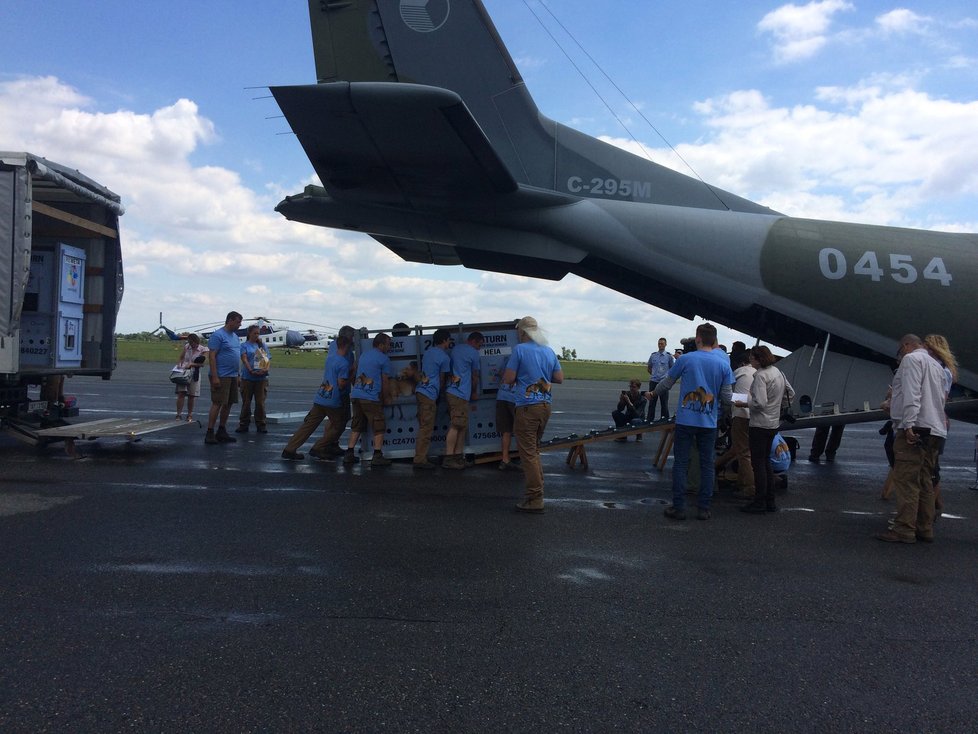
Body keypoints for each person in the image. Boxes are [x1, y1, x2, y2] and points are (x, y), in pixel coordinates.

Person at [653, 323, 734, 521]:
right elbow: (727, 396)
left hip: (686, 421)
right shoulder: (723, 364)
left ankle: (679, 507)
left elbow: (666, 383)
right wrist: (725, 415)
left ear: (698, 338)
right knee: (707, 464)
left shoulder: (686, 359)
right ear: (714, 340)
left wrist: (652, 393)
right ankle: (704, 508)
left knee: (681, 463)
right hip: (709, 423)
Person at [874, 334, 947, 543]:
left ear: (906, 345)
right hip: (935, 429)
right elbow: (940, 399)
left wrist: (908, 424)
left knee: (907, 481)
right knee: (925, 481)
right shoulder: (936, 365)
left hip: (916, 428)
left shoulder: (912, 360)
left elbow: (912, 394)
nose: (900, 355)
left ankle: (904, 529)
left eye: (900, 350)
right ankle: (925, 528)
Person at [502, 316, 563, 513]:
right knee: (534, 450)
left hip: (527, 406)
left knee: (527, 453)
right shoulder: (548, 350)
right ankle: (538, 490)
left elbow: (509, 378)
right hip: (545, 406)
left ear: (522, 332)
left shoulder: (519, 350)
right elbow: (559, 378)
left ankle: (535, 497)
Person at [281, 333, 353, 461]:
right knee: (339, 425)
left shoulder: (330, 358)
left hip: (321, 396)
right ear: (347, 346)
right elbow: (341, 384)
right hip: (333, 400)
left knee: (308, 425)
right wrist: (351, 376)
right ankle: (318, 447)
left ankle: (290, 448)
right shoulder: (344, 363)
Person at [740, 345, 794, 514]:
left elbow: (759, 403)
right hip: (773, 423)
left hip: (759, 424)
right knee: (766, 463)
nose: (750, 360)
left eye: (752, 358)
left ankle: (759, 501)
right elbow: (790, 393)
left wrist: (744, 403)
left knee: (758, 464)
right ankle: (770, 500)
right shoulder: (779, 372)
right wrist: (777, 406)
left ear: (758, 359)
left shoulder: (761, 376)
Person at [343, 332, 394, 467]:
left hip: (357, 395)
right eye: (389, 344)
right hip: (371, 398)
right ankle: (377, 455)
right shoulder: (384, 359)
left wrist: (357, 388)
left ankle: (349, 453)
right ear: (381, 344)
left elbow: (353, 372)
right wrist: (386, 397)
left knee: (357, 425)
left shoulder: (364, 355)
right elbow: (385, 381)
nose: (390, 347)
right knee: (379, 425)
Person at [924, 333, 957, 518]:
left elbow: (940, 398)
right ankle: (935, 503)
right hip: (940, 419)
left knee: (932, 467)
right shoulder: (946, 369)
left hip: (936, 420)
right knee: (933, 465)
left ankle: (932, 507)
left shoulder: (941, 371)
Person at [715, 349, 756, 496]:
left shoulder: (740, 372)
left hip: (741, 415)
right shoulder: (759, 373)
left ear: (742, 362)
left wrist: (732, 406)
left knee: (743, 452)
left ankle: (750, 487)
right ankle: (740, 480)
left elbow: (727, 394)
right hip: (758, 417)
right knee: (741, 448)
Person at [443, 331, 484, 470]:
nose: (480, 348)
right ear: (474, 341)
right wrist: (474, 392)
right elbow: (475, 376)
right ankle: (449, 458)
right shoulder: (473, 353)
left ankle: (458, 457)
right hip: (460, 393)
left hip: (452, 391)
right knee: (456, 425)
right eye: (480, 344)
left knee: (461, 426)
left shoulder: (456, 349)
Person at [413, 328, 452, 469]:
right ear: (444, 340)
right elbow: (442, 380)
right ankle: (420, 459)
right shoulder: (444, 358)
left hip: (420, 391)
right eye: (448, 340)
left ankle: (421, 456)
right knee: (426, 428)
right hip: (430, 395)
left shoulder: (428, 353)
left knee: (423, 425)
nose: (449, 343)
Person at [204, 311, 243, 445]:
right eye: (238, 322)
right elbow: (212, 356)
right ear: (230, 320)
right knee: (218, 402)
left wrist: (238, 375)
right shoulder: (218, 335)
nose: (240, 325)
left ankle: (222, 430)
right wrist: (215, 376)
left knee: (229, 403)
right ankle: (210, 431)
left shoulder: (235, 337)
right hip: (221, 375)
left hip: (232, 375)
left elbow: (236, 356)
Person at [236, 324, 271, 433]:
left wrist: (265, 370)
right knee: (246, 402)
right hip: (248, 378)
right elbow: (244, 358)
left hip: (261, 379)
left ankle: (261, 424)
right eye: (254, 333)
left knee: (260, 402)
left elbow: (267, 359)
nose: (256, 335)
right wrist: (250, 370)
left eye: (258, 333)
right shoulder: (244, 345)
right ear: (249, 333)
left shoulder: (262, 345)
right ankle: (243, 424)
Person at [174, 333, 207, 422]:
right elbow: (181, 357)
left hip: (194, 372)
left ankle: (189, 414)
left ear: (197, 342)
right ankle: (178, 414)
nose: (191, 345)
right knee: (181, 393)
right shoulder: (186, 347)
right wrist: (179, 365)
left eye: (193, 343)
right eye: (190, 343)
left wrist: (192, 364)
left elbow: (202, 364)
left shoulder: (203, 349)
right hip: (184, 372)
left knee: (191, 395)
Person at [646, 337, 674, 421]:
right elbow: (649, 367)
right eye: (659, 343)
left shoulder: (669, 357)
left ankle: (664, 420)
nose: (660, 345)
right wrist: (654, 375)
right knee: (652, 403)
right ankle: (649, 420)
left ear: (665, 344)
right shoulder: (653, 355)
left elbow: (672, 369)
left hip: (663, 383)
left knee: (664, 403)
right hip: (653, 382)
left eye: (662, 343)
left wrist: (665, 377)